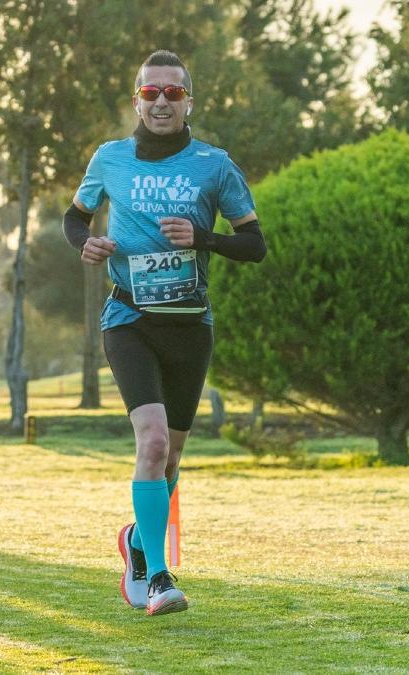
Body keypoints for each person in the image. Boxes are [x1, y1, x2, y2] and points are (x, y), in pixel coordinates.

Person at [64, 50, 266, 616]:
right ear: (136, 99)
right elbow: (74, 217)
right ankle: (157, 577)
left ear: (188, 102)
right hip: (129, 319)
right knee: (150, 442)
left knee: (170, 458)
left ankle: (135, 541)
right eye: (150, 92)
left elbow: (254, 244)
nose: (159, 102)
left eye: (171, 94)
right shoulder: (110, 159)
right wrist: (85, 243)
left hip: (189, 326)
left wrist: (204, 237)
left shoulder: (214, 165)